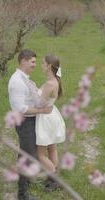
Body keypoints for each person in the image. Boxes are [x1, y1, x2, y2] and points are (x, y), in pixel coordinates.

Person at [8, 49, 52, 200]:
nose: (34, 65)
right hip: (24, 122)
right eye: (32, 62)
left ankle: (26, 182)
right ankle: (22, 194)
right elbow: (21, 109)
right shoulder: (17, 82)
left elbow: (30, 99)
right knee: (27, 156)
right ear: (23, 61)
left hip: (31, 120)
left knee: (29, 154)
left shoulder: (25, 78)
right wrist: (42, 110)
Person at [36, 54, 66, 191]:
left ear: (48, 66)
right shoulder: (55, 81)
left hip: (45, 117)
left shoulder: (49, 84)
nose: (41, 65)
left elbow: (39, 103)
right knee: (52, 148)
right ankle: (53, 176)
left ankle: (55, 179)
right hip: (52, 114)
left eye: (43, 63)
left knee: (40, 154)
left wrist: (32, 93)